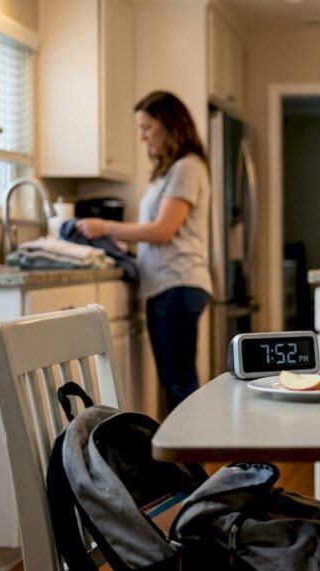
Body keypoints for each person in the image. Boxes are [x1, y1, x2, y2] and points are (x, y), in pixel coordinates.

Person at [77, 91, 212, 411]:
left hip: (176, 284)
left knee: (180, 386)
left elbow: (163, 231)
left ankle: (193, 460)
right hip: (171, 285)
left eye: (147, 127)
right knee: (177, 384)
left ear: (170, 126)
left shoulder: (186, 168)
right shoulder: (171, 171)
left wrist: (105, 227)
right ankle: (189, 460)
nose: (142, 137)